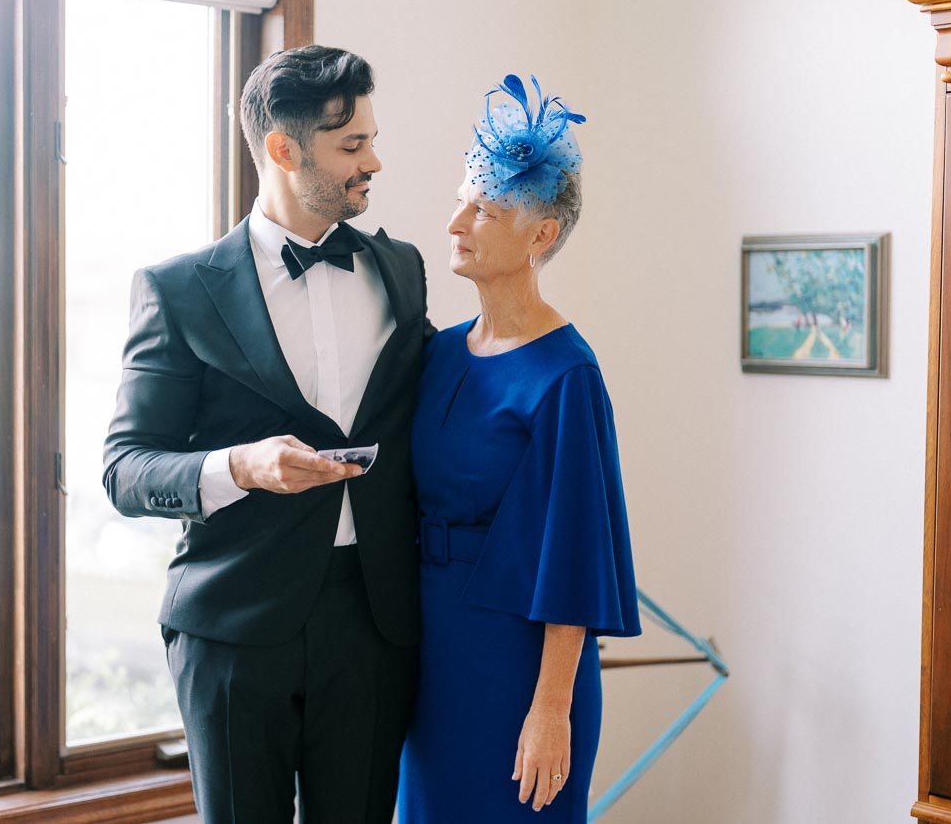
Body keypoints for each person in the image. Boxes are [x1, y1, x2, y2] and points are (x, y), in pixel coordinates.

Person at [103, 45, 431, 824]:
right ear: (285, 150)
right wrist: (240, 466)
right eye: (352, 145)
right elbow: (125, 468)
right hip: (232, 627)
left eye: (372, 140)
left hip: (375, 621)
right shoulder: (178, 291)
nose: (373, 162)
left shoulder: (404, 270)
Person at [397, 75, 641, 823]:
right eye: (462, 200)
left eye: (486, 210)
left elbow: (574, 556)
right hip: (426, 651)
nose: (456, 222)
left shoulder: (566, 376)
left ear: (541, 237)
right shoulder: (437, 354)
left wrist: (550, 711)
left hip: (518, 668)